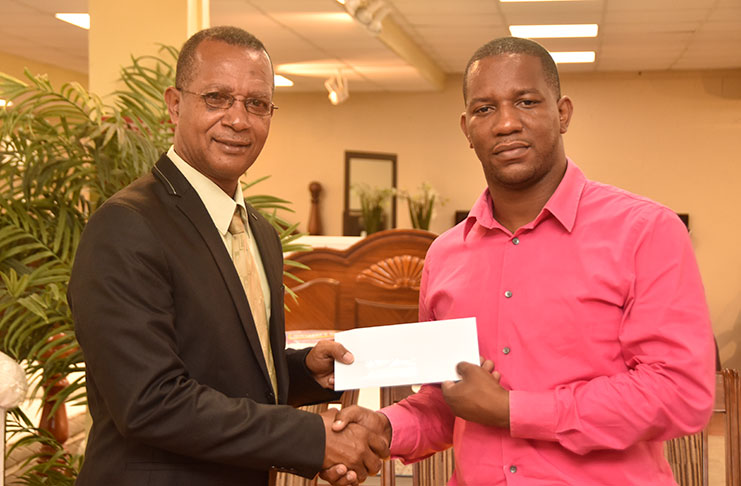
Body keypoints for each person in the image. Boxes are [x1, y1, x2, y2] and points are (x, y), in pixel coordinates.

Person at [332, 36, 716, 485]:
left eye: (527, 101)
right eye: (485, 109)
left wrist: (514, 410)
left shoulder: (646, 231)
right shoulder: (445, 255)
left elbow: (680, 393)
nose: (506, 123)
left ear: (563, 112)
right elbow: (450, 399)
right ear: (467, 129)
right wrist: (388, 426)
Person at [68, 26, 387, 486]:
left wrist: (301, 370)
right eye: (217, 97)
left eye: (256, 103)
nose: (238, 120)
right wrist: (313, 439)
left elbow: (224, 369)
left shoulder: (260, 232)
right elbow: (150, 401)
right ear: (175, 104)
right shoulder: (126, 226)